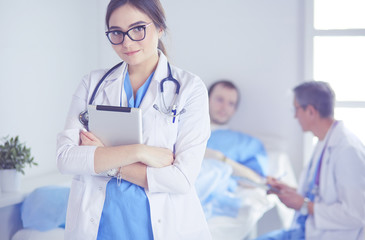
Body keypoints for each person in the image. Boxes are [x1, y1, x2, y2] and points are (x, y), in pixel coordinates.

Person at [56, 0, 211, 239]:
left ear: (160, 28)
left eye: (138, 28)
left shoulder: (189, 88)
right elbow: (66, 158)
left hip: (163, 227)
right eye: (116, 32)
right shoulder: (92, 84)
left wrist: (106, 159)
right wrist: (141, 152)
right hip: (99, 227)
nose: (126, 42)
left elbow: (180, 179)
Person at [256, 81, 365, 240]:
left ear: (311, 111)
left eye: (296, 109)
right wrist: (289, 191)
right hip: (307, 231)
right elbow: (319, 193)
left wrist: (304, 205)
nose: (295, 115)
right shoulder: (324, 140)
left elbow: (356, 214)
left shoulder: (347, 150)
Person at [205, 80, 268, 178]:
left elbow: (258, 181)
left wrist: (220, 159)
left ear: (235, 109)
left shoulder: (248, 144)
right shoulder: (183, 131)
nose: (224, 107)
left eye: (231, 103)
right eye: (220, 100)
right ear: (207, 100)